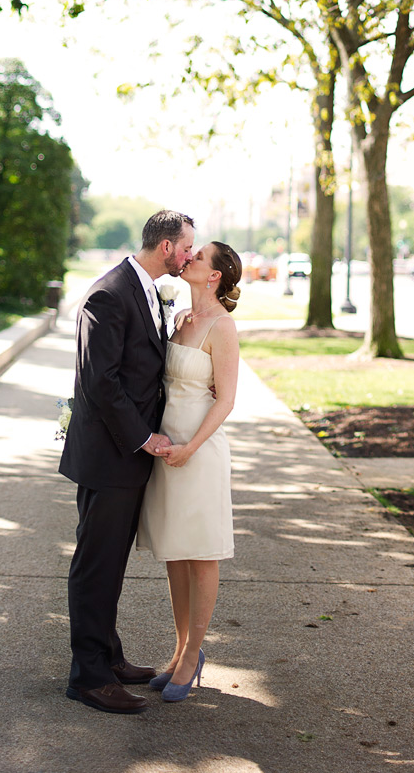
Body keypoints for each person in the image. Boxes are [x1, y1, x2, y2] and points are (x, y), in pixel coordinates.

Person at [59, 209, 196, 714]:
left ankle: (109, 657)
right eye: (186, 248)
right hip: (109, 456)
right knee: (95, 565)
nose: (188, 256)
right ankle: (88, 677)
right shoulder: (108, 293)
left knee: (111, 561)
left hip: (124, 457)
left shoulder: (146, 289)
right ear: (166, 247)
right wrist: (145, 439)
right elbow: (100, 382)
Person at [136, 241, 242, 702]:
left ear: (214, 275)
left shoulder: (222, 327)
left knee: (202, 555)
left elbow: (226, 399)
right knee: (176, 554)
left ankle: (194, 653)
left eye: (198, 257)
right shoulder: (178, 319)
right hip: (167, 450)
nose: (188, 259)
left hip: (199, 452)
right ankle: (181, 653)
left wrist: (191, 448)